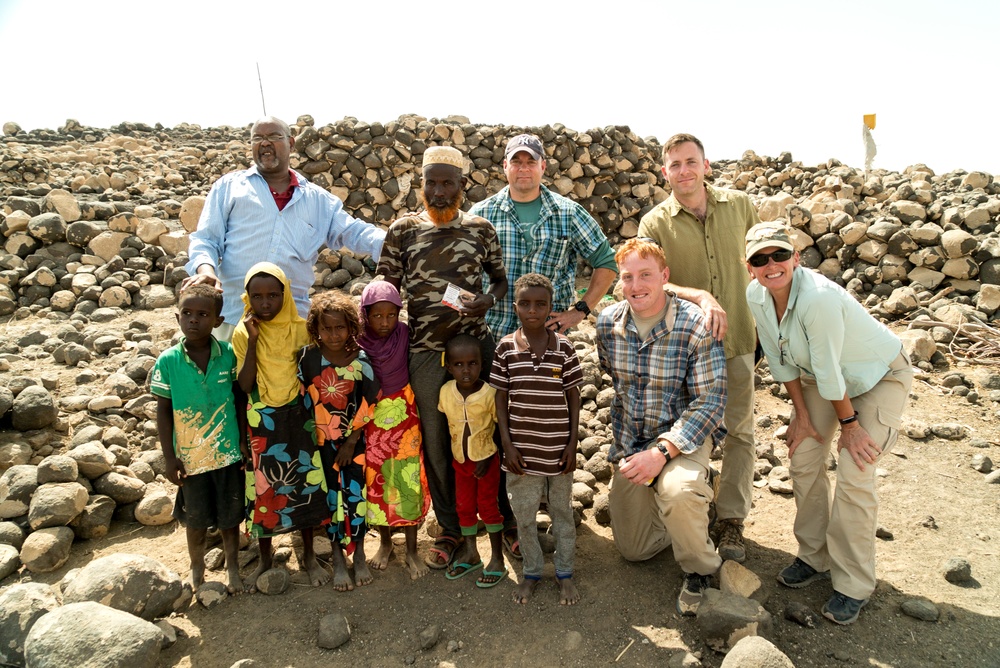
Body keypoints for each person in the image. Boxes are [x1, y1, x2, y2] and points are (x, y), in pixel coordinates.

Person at [744, 222, 912, 625]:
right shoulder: (756, 295)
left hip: (876, 376)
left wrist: (851, 427)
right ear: (749, 267)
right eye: (759, 259)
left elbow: (831, 369)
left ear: (796, 258)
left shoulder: (817, 298)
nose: (771, 265)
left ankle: (853, 583)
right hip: (820, 381)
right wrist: (801, 416)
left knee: (855, 469)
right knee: (803, 454)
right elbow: (780, 358)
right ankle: (813, 555)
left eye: (780, 254)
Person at [377, 145, 508, 570]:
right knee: (437, 443)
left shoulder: (482, 229)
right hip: (425, 354)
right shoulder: (401, 230)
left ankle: (501, 523)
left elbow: (501, 282)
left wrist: (488, 300)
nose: (438, 191)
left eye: (446, 182)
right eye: (430, 182)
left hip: (477, 349)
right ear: (420, 185)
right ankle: (452, 528)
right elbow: (385, 288)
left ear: (461, 186)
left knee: (489, 434)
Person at [637, 133, 761, 563]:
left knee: (741, 431)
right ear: (664, 171)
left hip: (742, 336)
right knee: (689, 428)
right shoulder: (655, 223)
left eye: (691, 162)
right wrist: (702, 297)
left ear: (706, 165)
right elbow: (651, 278)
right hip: (686, 350)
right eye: (675, 164)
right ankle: (690, 504)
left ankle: (730, 519)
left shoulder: (741, 206)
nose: (684, 171)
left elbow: (763, 263)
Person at [596, 238, 727, 616]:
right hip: (631, 440)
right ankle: (690, 502)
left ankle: (701, 567)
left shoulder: (697, 324)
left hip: (684, 437)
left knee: (679, 490)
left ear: (665, 277)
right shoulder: (608, 323)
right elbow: (613, 377)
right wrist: (639, 454)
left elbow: (711, 401)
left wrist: (663, 452)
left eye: (646, 275)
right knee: (634, 550)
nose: (636, 286)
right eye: (627, 277)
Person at [184, 116, 385, 339]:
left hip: (290, 326)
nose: (265, 143)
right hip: (232, 317)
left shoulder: (318, 201)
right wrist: (206, 271)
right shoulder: (229, 187)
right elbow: (206, 240)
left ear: (291, 144)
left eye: (274, 136)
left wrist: (400, 235)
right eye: (257, 138)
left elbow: (355, 232)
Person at [232, 262, 330, 592]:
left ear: (285, 295)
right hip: (261, 417)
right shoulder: (243, 333)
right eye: (257, 296)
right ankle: (264, 557)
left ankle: (309, 558)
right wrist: (255, 341)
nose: (265, 303)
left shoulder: (301, 329)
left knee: (304, 483)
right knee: (264, 488)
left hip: (298, 415)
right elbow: (245, 385)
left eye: (274, 295)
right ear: (246, 298)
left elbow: (314, 375)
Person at [469, 133, 618, 339]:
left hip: (549, 339)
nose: (524, 168)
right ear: (505, 166)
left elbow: (607, 262)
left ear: (543, 167)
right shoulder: (481, 214)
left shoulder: (568, 213)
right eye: (516, 162)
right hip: (492, 336)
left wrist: (580, 310)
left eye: (531, 162)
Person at [491, 273, 583, 605]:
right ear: (515, 307)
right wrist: (507, 445)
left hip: (558, 451)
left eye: (540, 304)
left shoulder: (565, 347)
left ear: (550, 308)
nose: (533, 310)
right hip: (522, 455)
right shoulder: (505, 347)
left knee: (562, 514)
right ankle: (531, 572)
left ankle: (565, 574)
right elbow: (500, 399)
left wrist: (572, 444)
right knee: (525, 517)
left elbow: (573, 396)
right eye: (526, 304)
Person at [152, 284, 247, 594]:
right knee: (196, 519)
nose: (194, 320)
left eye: (203, 315)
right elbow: (163, 412)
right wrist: (169, 457)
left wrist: (244, 442)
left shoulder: (228, 355)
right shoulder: (168, 361)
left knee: (231, 517)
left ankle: (233, 568)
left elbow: (239, 400)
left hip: (227, 453)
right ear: (177, 317)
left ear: (217, 321)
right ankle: (197, 569)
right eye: (187, 314)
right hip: (191, 458)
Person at [299, 290, 379, 592]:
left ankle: (358, 555)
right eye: (326, 328)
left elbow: (370, 401)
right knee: (330, 501)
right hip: (320, 445)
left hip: (352, 445)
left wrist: (351, 440)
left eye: (340, 327)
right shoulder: (307, 360)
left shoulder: (360, 360)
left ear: (351, 327)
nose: (333, 334)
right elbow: (302, 399)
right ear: (316, 329)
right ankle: (336, 556)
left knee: (356, 499)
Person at [357, 280, 431, 580]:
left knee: (407, 479)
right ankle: (386, 543)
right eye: (377, 315)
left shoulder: (405, 334)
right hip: (372, 417)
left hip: (404, 414)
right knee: (377, 481)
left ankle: (412, 550)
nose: (385, 322)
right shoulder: (358, 340)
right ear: (365, 314)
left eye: (391, 314)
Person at [437, 335, 507, 588]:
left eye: (472, 364)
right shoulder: (446, 392)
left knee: (488, 506)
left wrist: (489, 456)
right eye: (459, 365)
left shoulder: (490, 394)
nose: (466, 370)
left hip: (485, 462)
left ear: (481, 363)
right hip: (460, 461)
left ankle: (497, 558)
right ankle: (471, 553)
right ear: (448, 366)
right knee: (464, 507)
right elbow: (447, 426)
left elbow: (500, 429)